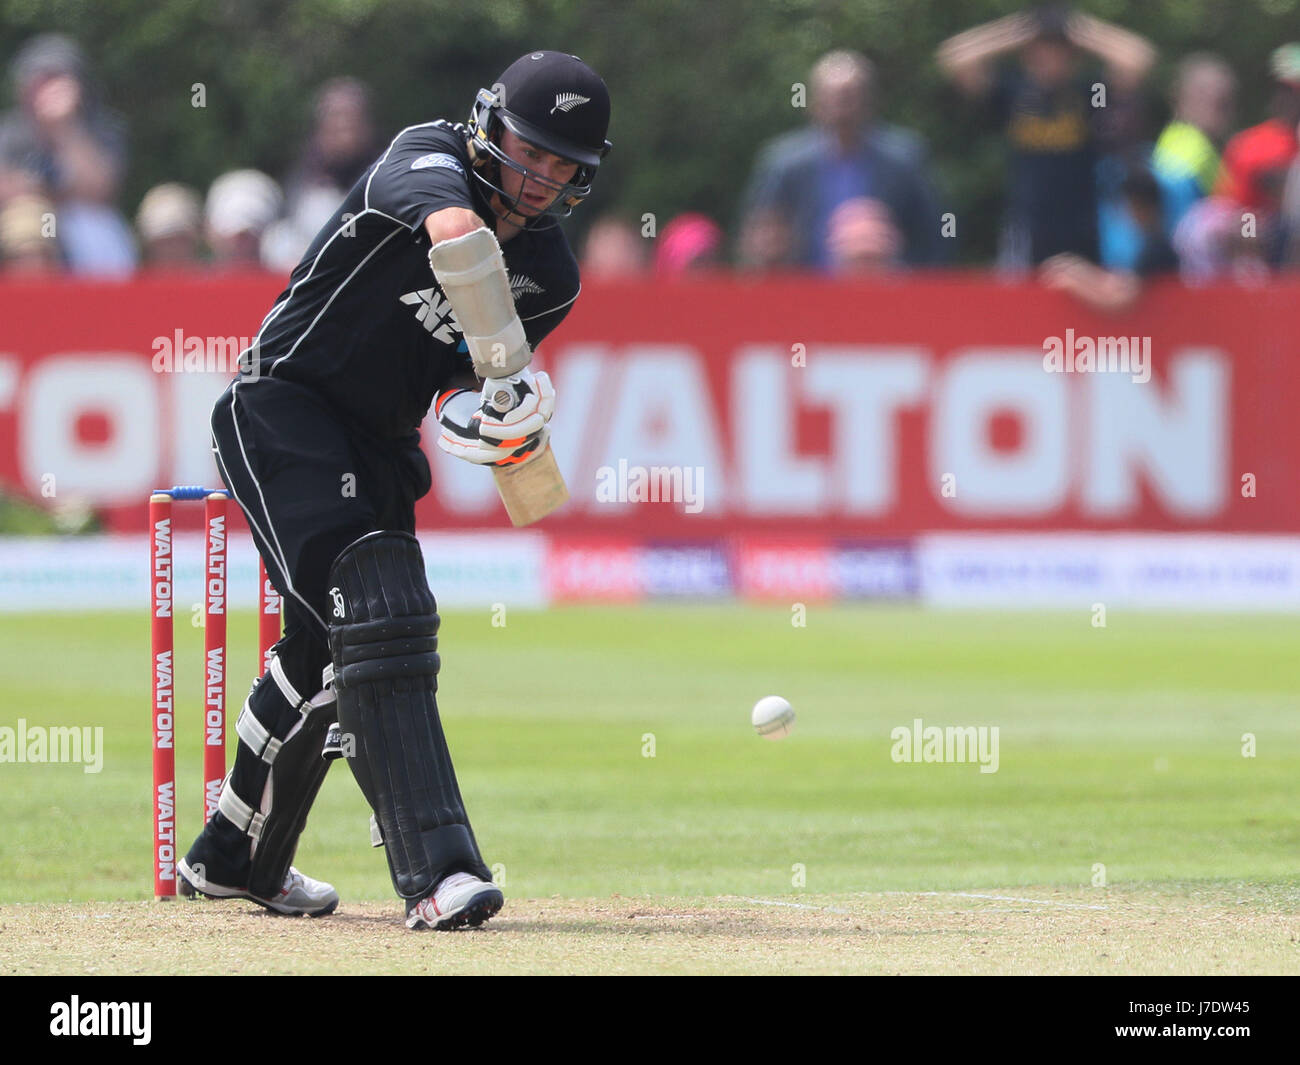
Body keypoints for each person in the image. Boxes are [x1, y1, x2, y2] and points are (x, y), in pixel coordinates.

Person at [177, 51, 612, 930]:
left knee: (327, 657)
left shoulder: (553, 277)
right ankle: (439, 872)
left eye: (565, 167)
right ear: (490, 124)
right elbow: (456, 236)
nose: (542, 180)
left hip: (379, 447)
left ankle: (230, 857)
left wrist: (504, 414)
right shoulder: (426, 155)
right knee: (380, 611)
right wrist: (505, 365)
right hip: (281, 408)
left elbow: (456, 394)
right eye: (532, 151)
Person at [936, 5, 1155, 269]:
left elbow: (1139, 59)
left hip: (1081, 223)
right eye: (1040, 51)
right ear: (1027, 55)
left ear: (1072, 56)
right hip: (1026, 225)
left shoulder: (1091, 93)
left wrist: (1079, 30)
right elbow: (952, 58)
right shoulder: (1012, 93)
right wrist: (1017, 31)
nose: (1049, 60)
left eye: (1057, 52)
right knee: (1022, 304)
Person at [738, 49, 943, 271]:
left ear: (869, 100)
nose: (842, 107)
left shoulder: (905, 158)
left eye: (850, 96)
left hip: (886, 290)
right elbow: (757, 232)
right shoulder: (783, 162)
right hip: (805, 291)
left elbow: (935, 232)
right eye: (833, 96)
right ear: (815, 102)